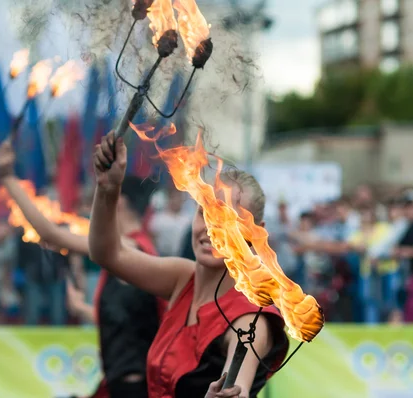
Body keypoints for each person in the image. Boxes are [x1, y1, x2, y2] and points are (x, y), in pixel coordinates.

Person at [90, 132, 289, 398]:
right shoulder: (182, 278)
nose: (212, 230)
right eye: (205, 213)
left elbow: (238, 383)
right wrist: (107, 188)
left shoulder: (251, 319)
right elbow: (107, 253)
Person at [0, 139, 161, 398]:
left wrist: (8, 179)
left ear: (121, 202)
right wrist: (84, 309)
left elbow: (51, 234)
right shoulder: (136, 251)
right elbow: (129, 322)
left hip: (133, 389)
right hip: (120, 384)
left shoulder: (130, 248)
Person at [149, 190, 192, 257]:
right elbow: (152, 238)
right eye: (174, 197)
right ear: (169, 199)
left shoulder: (187, 220)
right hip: (160, 256)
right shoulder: (159, 218)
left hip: (180, 256)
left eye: (179, 198)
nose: (176, 201)